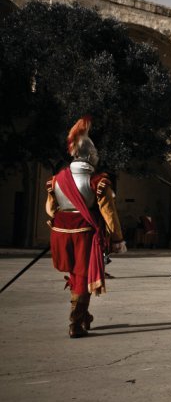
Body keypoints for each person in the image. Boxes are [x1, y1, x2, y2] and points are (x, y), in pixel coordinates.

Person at [46, 117, 126, 338]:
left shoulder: (57, 180)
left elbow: (50, 209)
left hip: (61, 234)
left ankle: (84, 315)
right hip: (85, 235)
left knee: (75, 275)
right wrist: (117, 239)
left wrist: (61, 223)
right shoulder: (97, 182)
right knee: (82, 276)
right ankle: (75, 322)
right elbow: (109, 213)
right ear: (91, 156)